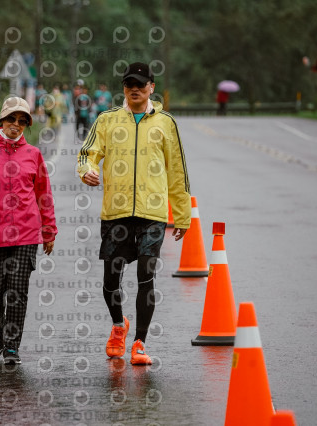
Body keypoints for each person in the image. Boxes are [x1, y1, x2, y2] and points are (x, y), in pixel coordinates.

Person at [76, 62, 191, 365]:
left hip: (153, 213)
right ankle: (118, 325)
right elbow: (88, 153)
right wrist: (86, 170)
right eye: (129, 84)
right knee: (111, 278)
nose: (135, 89)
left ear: (152, 87)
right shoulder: (107, 120)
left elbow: (177, 171)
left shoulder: (166, 123)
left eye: (141, 84)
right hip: (116, 212)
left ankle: (140, 343)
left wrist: (182, 215)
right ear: (123, 89)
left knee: (145, 276)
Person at [0, 96, 57, 365]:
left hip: (26, 233)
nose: (16, 125)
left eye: (22, 121)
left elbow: (43, 194)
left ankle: (11, 346)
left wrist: (49, 230)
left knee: (18, 291)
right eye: (11, 119)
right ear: (2, 120)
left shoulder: (33, 154)